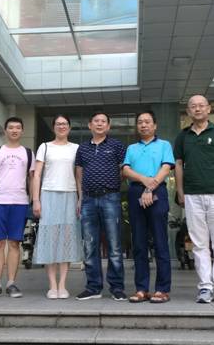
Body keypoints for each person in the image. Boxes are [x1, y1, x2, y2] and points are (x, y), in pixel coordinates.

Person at [174, 95, 214, 304]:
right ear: (188, 111)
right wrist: (180, 191)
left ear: (209, 109)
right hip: (192, 196)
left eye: (201, 105)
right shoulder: (183, 136)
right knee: (199, 244)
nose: (197, 109)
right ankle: (205, 288)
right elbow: (179, 165)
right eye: (193, 106)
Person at [122, 111, 175, 304]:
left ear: (155, 125)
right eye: (140, 122)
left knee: (160, 242)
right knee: (139, 243)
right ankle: (141, 289)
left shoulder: (164, 145)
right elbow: (126, 170)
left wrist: (150, 188)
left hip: (157, 190)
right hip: (136, 192)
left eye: (147, 122)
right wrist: (144, 181)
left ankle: (162, 289)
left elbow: (166, 168)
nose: (143, 125)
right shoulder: (132, 148)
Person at [75, 112, 127, 301]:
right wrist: (80, 198)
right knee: (90, 245)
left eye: (103, 121)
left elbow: (124, 170)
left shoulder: (117, 145)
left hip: (110, 198)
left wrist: (112, 185)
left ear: (108, 126)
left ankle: (117, 287)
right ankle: (93, 287)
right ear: (90, 125)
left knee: (114, 245)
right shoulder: (82, 148)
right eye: (96, 121)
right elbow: (79, 173)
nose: (99, 124)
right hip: (88, 200)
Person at [0, 117, 35, 299]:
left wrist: (33, 200)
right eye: (11, 127)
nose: (14, 130)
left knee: (14, 243)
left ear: (22, 131)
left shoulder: (28, 153)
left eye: (18, 127)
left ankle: (11, 283)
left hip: (20, 202)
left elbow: (32, 179)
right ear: (5, 131)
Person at [32, 114, 82, 300]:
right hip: (48, 194)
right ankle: (52, 285)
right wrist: (36, 200)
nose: (62, 126)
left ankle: (63, 285)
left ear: (69, 127)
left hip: (70, 194)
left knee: (66, 240)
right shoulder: (45, 147)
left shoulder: (76, 148)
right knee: (50, 240)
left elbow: (79, 176)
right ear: (54, 127)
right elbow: (37, 175)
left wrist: (80, 198)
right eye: (58, 124)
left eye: (65, 124)